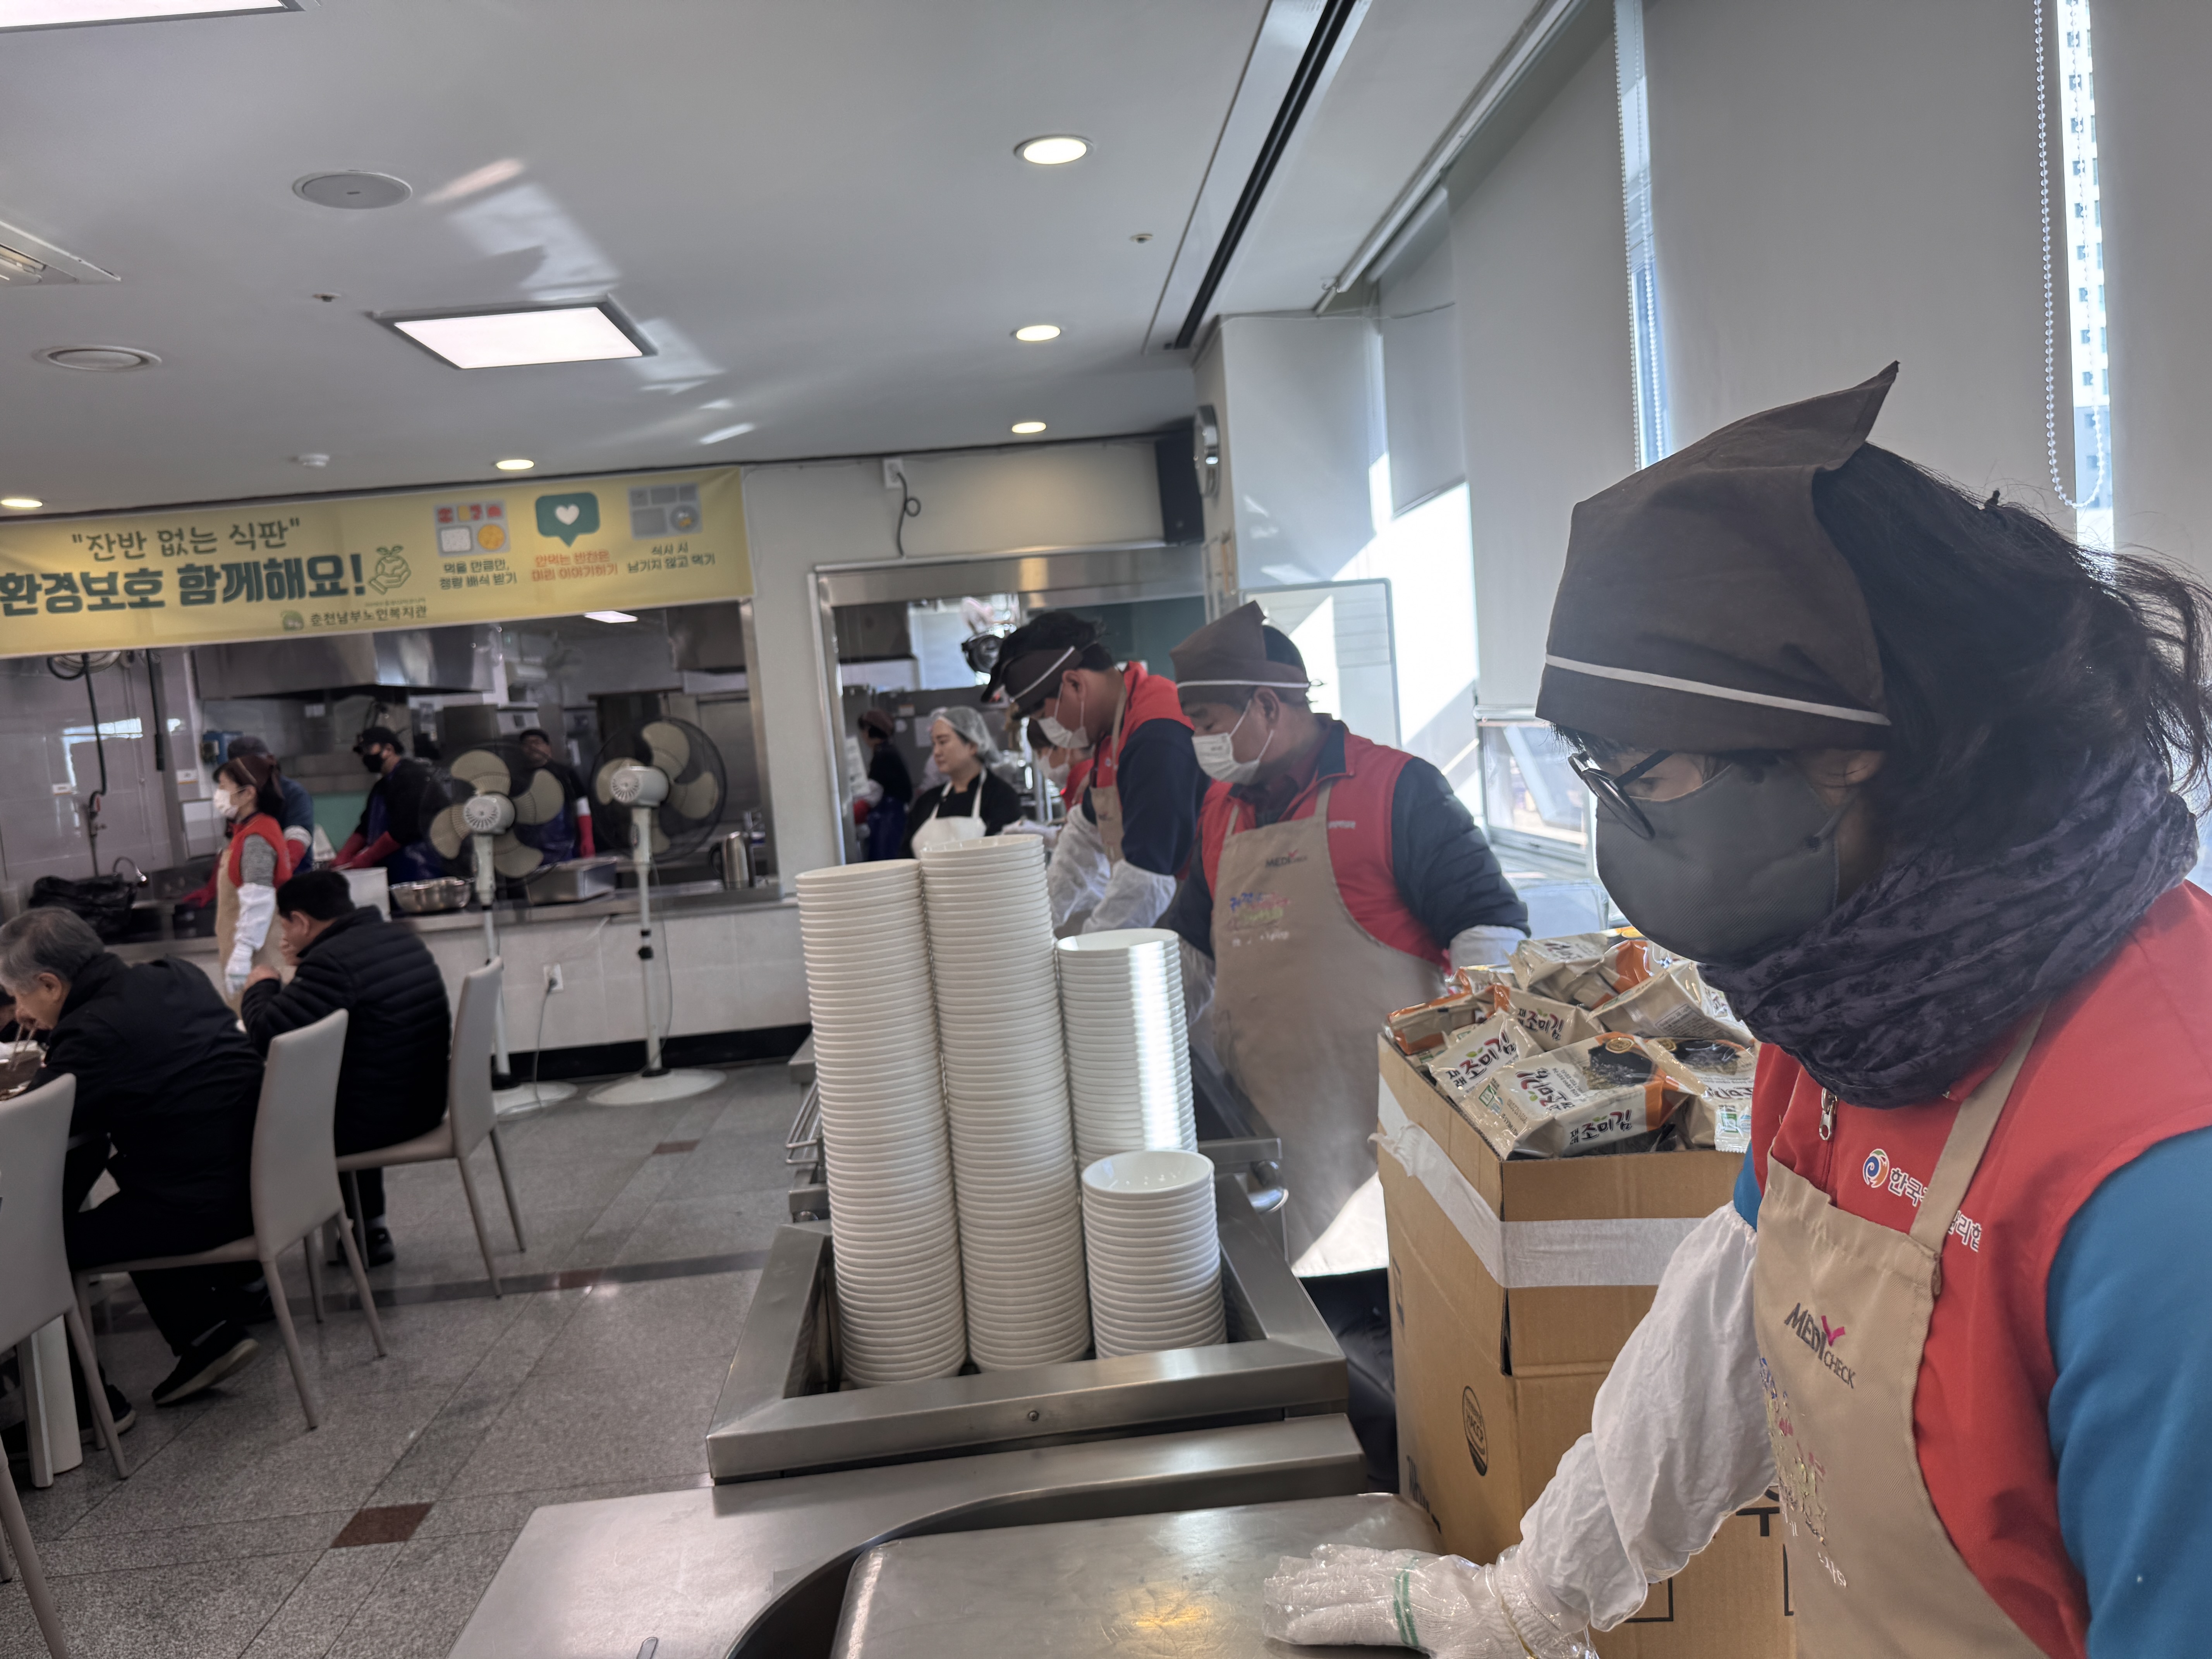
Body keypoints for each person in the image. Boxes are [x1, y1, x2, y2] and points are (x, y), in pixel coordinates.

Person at [1264, 366, 2212, 1656]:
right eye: (1592, 767)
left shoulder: (2162, 1188)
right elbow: (1734, 1316)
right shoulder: (1855, 996)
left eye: (1645, 771)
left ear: (1847, 746)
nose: (1614, 828)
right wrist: (1534, 1598)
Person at [1162, 603, 1528, 1266]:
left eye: (1207, 723)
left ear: (1266, 705)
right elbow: (1187, 951)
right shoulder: (1221, 809)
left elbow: (1490, 926)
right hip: (1266, 1126)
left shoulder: (1397, 788)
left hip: (1385, 1128)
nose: (1199, 741)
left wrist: (1477, 1082)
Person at [0, 908, 264, 1410]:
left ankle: (82, 1407)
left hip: (204, 1204)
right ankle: (208, 1336)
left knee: (35, 1247)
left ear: (51, 985)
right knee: (129, 1201)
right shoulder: (175, 975)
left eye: (17, 995)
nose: (18, 1012)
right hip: (260, 1177)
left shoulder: (92, 1032)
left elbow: (34, 1126)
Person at [240, 869, 452, 1267]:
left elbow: (268, 1032)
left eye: (285, 926)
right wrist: (304, 967)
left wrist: (262, 984)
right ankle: (371, 1228)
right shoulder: (396, 938)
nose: (284, 936)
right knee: (344, 1089)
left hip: (379, 1120)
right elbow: (314, 1012)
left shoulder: (333, 962)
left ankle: (247, 1267)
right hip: (425, 1103)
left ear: (301, 921)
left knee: (249, 1118)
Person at [985, 610, 1204, 934]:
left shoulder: (1156, 735)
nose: (1051, 729)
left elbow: (1146, 881)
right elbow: (1083, 836)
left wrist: (1091, 948)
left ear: (1075, 684)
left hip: (1196, 924)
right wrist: (1040, 923)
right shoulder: (1113, 730)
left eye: (1044, 717)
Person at [211, 752, 297, 1005]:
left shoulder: (256, 837)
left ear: (248, 793)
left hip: (260, 958)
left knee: (260, 1018)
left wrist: (242, 952)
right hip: (255, 955)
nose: (219, 794)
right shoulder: (250, 830)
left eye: (224, 786)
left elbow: (259, 898)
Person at [331, 725, 450, 882]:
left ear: (388, 750)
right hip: (394, 872)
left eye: (367, 749)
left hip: (423, 871)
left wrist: (367, 858)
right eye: (361, 752)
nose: (363, 757)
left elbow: (403, 829)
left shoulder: (413, 778)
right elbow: (365, 827)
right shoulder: (381, 787)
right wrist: (344, 856)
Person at [904, 706, 1024, 854]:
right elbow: (905, 856)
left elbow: (1005, 855)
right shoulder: (927, 802)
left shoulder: (1001, 797)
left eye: (943, 742)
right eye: (934, 744)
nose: (936, 752)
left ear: (972, 745)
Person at [514, 725, 595, 864]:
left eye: (537, 742)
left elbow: (581, 806)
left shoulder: (565, 774)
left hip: (565, 846)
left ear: (548, 746)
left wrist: (587, 838)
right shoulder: (516, 779)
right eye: (526, 744)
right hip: (529, 851)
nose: (532, 747)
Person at [855, 709, 913, 861]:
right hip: (895, 817)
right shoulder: (888, 751)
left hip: (889, 820)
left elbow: (872, 794)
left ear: (870, 731)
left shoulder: (883, 755)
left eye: (864, 731)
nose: (863, 736)